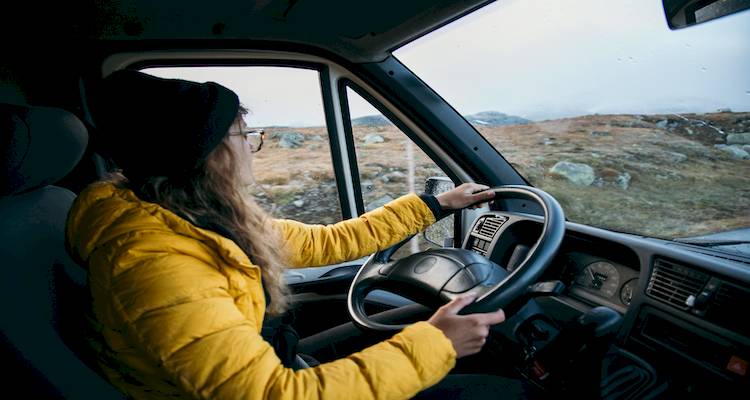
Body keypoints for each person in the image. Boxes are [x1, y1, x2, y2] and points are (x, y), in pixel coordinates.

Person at [66, 70, 517, 399]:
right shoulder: (157, 262)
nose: (252, 147)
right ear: (209, 155)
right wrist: (436, 342)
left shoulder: (196, 220)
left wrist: (435, 204)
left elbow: (328, 242)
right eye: (245, 135)